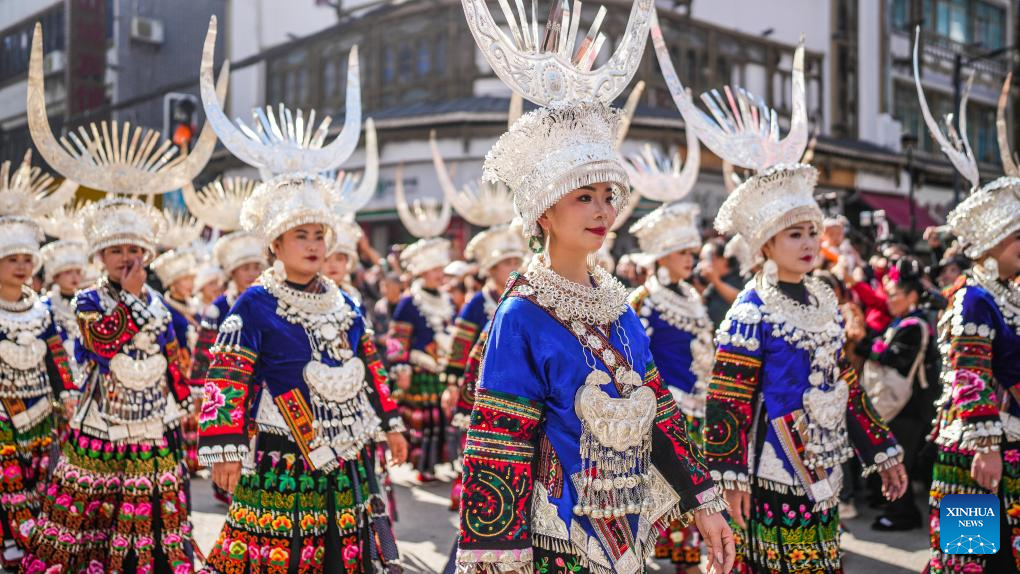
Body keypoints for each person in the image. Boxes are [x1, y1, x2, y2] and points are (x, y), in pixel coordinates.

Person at [454, 3, 734, 573]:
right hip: (555, 541)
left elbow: (656, 407)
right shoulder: (522, 314)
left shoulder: (617, 303)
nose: (603, 209)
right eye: (584, 196)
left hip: (624, 535)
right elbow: (499, 445)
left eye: (609, 195)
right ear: (544, 213)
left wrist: (703, 499)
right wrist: (497, 558)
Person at [652, 26, 907, 573]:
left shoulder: (822, 298)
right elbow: (730, 403)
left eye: (813, 232)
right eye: (796, 234)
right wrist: (729, 477)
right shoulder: (752, 309)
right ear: (766, 243)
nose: (811, 242)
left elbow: (844, 382)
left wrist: (878, 448)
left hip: (823, 468)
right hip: (771, 473)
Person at [196, 15, 406, 572]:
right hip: (286, 452)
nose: (313, 245)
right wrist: (223, 448)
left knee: (346, 556)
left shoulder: (344, 299)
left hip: (351, 450)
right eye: (301, 236)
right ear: (275, 243)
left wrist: (392, 423)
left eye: (320, 235)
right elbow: (227, 378)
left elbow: (370, 361)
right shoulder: (254, 304)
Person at [22, 198, 197, 573]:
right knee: (92, 500)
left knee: (152, 500)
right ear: (100, 255)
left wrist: (183, 399)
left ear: (147, 254)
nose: (125, 257)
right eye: (116, 250)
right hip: (102, 418)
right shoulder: (87, 300)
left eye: (134, 249)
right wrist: (131, 299)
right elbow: (101, 343)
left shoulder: (160, 304)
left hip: (154, 419)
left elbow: (170, 354)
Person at [914, 56, 1020, 573]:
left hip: (1008, 449)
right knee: (968, 558)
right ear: (989, 243)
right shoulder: (973, 296)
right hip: (972, 453)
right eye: (1017, 236)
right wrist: (984, 445)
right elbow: (967, 375)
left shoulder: (1008, 292)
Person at [629, 202, 715, 573]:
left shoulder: (693, 296)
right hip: (662, 411)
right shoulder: (642, 300)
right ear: (662, 255)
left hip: (696, 407)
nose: (690, 260)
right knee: (661, 485)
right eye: (683, 253)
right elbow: (632, 361)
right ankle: (673, 557)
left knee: (691, 484)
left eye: (692, 253)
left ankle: (685, 557)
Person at [0, 210, 76, 568]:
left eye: (27, 259)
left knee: (41, 480)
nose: (21, 266)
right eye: (11, 259)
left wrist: (68, 395)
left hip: (42, 410)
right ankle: (11, 541)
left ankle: (35, 541)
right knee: (7, 481)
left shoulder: (41, 310)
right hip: (3, 414)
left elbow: (58, 360)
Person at [856, 258, 938, 531]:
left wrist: (867, 346)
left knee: (899, 458)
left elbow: (896, 358)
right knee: (895, 457)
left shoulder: (915, 324)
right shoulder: (905, 322)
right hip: (905, 406)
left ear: (912, 295)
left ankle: (904, 514)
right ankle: (900, 510)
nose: (889, 300)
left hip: (910, 406)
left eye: (895, 295)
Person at [386, 237, 455, 482]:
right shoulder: (408, 302)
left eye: (441, 269)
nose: (440, 274)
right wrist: (400, 367)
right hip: (418, 371)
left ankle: (434, 463)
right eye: (435, 269)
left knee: (439, 419)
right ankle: (421, 465)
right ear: (423, 272)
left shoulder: (446, 300)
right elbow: (397, 339)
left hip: (441, 371)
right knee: (422, 421)